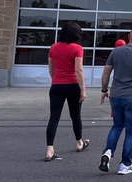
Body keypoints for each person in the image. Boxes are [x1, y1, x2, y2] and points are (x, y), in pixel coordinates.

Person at [99, 26, 132, 175]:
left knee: (117, 126)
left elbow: (106, 72)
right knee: (131, 131)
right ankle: (125, 165)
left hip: (116, 95)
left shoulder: (115, 52)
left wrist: (104, 90)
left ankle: (108, 152)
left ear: (128, 36)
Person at [45, 22, 89, 161]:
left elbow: (51, 69)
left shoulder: (53, 47)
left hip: (57, 86)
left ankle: (49, 149)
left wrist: (56, 79)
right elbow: (78, 70)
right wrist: (83, 89)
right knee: (75, 116)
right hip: (73, 85)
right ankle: (79, 143)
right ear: (76, 34)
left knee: (54, 117)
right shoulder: (77, 48)